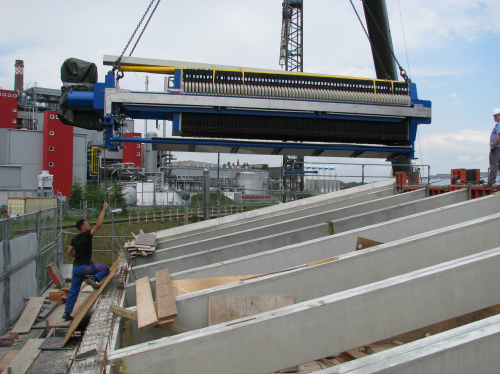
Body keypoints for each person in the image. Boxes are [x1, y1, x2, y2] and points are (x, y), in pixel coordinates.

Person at [62, 202, 110, 321]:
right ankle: (93, 279)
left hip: (76, 268)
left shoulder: (75, 238)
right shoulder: (87, 235)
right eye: (87, 224)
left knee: (74, 290)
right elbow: (98, 224)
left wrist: (77, 256)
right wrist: (103, 209)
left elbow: (68, 252)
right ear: (82, 227)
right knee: (105, 268)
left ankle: (67, 313)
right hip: (86, 267)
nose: (89, 225)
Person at [488, 108, 500, 186]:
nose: (494, 118)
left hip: (497, 147)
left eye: (495, 116)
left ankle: (491, 182)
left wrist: (493, 145)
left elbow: (499, 134)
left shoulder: (499, 124)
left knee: (494, 165)